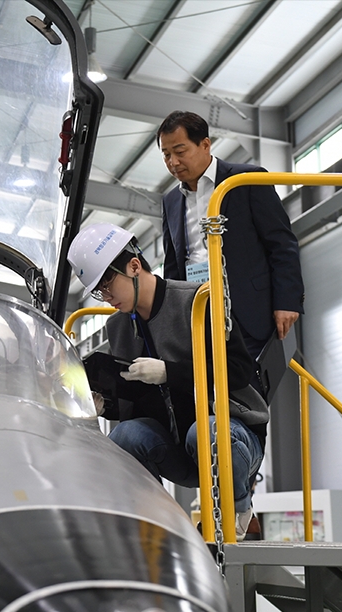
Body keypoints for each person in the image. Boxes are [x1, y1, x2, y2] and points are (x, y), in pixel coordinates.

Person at [68, 223, 269, 540]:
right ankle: (157, 528)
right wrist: (107, 405)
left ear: (134, 266)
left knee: (205, 430)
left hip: (231, 440)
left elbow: (239, 370)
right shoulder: (118, 328)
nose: (106, 298)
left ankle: (239, 510)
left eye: (107, 285)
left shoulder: (197, 300)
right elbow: (139, 407)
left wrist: (169, 372)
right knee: (124, 435)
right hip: (179, 450)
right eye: (98, 292)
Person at [157, 110, 304, 360]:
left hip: (250, 312)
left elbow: (281, 244)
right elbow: (173, 266)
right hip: (200, 313)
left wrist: (287, 301)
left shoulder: (246, 180)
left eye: (180, 151)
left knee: (252, 383)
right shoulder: (170, 201)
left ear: (205, 145)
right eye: (166, 154)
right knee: (209, 383)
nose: (173, 162)